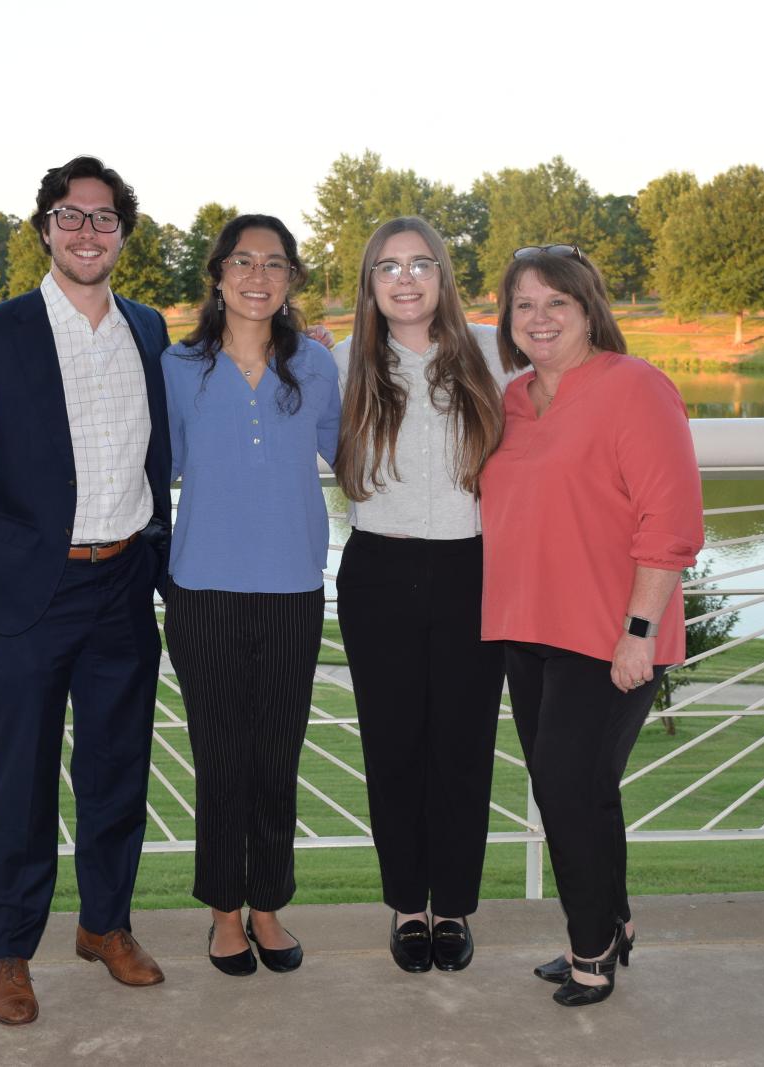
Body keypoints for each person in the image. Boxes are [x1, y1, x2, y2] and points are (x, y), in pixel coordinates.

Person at [0, 156, 172, 1026]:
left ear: (122, 234)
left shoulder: (148, 329)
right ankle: (10, 953)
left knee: (117, 772)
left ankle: (105, 925)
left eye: (104, 218)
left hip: (125, 584)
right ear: (45, 229)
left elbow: (164, 448)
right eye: (70, 215)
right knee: (21, 784)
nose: (87, 231)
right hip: (33, 593)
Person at [479, 245, 703, 1007]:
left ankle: (592, 947)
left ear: (588, 310)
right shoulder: (511, 399)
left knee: (567, 788)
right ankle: (614, 919)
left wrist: (640, 630)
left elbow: (671, 520)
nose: (538, 318)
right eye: (523, 304)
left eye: (557, 303)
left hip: (612, 634)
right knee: (580, 786)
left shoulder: (635, 386)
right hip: (527, 628)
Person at [160, 214, 340, 977]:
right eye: (242, 261)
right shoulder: (176, 365)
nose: (257, 275)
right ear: (218, 274)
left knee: (276, 758)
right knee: (221, 759)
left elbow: (356, 453)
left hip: (294, 588)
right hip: (203, 590)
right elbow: (151, 468)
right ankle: (223, 914)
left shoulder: (318, 365)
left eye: (273, 262)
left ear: (291, 277)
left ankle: (268, 903)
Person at [331, 217, 508, 973]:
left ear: (443, 276)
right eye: (389, 266)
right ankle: (408, 905)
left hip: (474, 568)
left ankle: (454, 906)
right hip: (379, 570)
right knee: (393, 745)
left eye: (421, 264)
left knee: (463, 748)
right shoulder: (341, 363)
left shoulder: (494, 352)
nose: (405, 279)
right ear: (370, 282)